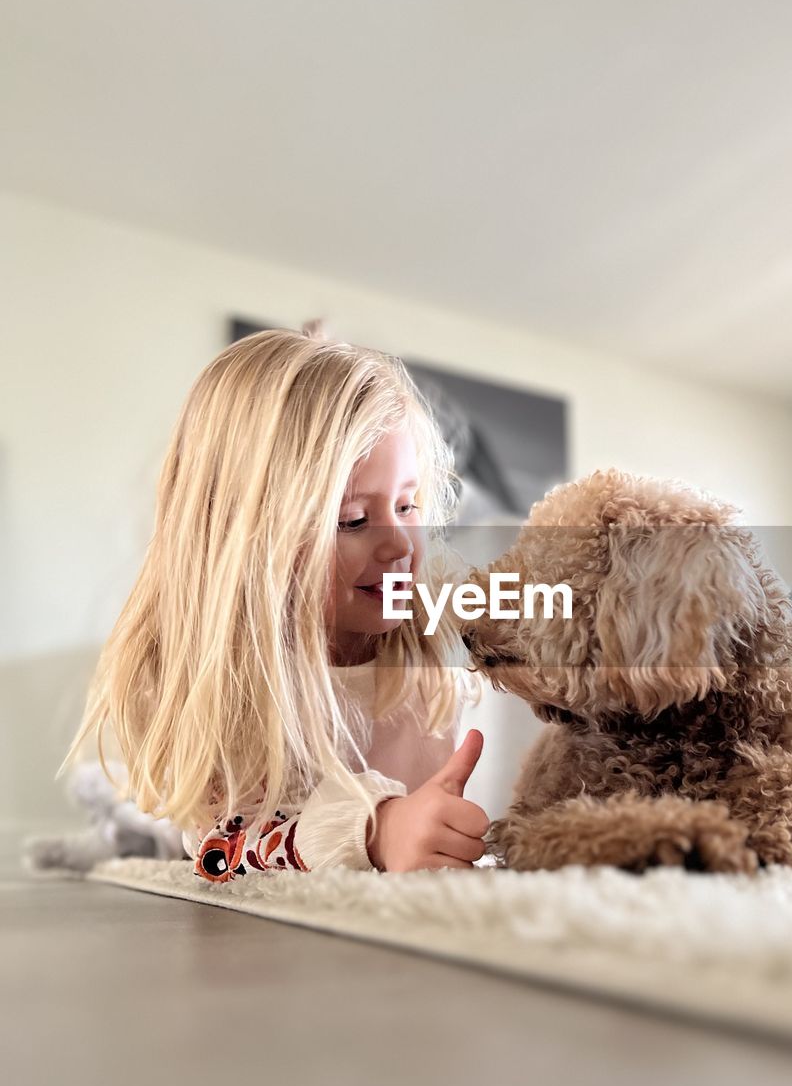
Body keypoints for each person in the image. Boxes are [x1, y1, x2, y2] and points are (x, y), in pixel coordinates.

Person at [61, 322, 490, 882]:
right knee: (162, 828)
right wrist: (374, 829)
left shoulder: (435, 609)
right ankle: (121, 817)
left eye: (408, 507)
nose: (399, 542)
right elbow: (224, 850)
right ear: (249, 540)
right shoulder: (224, 677)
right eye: (353, 519)